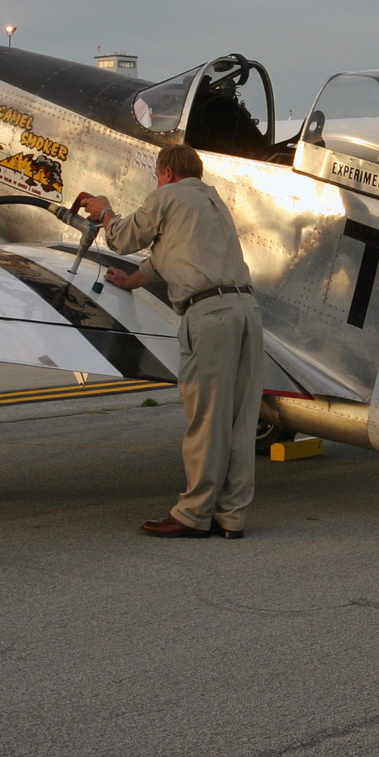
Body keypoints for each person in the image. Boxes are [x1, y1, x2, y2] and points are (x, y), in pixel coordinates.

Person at [75, 144, 263, 539]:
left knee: (207, 417)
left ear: (167, 172)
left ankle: (194, 513)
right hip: (246, 311)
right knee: (240, 419)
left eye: (157, 176)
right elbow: (172, 256)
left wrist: (105, 210)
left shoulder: (167, 195)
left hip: (208, 316)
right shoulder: (213, 203)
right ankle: (231, 515)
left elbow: (122, 239)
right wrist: (131, 280)